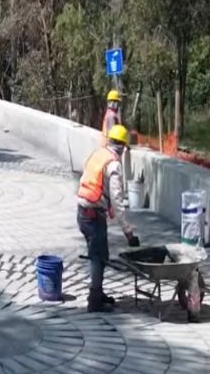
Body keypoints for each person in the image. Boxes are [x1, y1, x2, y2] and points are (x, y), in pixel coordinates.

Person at [77, 125, 140, 313]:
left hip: (82, 212)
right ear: (122, 147)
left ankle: (99, 292)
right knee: (97, 258)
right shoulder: (113, 165)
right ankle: (94, 301)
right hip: (93, 215)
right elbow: (118, 201)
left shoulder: (99, 154)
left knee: (100, 255)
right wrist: (128, 233)